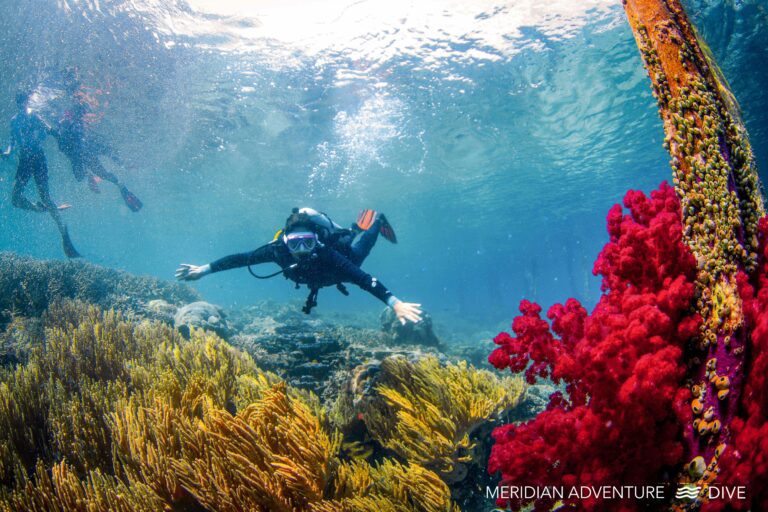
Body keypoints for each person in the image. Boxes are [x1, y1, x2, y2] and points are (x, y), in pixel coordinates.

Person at [176, 208, 423, 325]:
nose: (303, 249)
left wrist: (395, 303)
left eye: (308, 242)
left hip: (336, 265)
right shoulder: (278, 250)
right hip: (322, 272)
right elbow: (241, 259)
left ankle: (376, 221)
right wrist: (204, 269)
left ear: (316, 240)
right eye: (296, 243)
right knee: (347, 237)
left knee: (356, 251)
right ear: (286, 241)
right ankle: (354, 227)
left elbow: (364, 279)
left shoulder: (324, 252)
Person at [1, 91, 80, 258]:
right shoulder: (14, 121)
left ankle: (63, 232)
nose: (23, 105)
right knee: (15, 199)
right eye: (21, 103)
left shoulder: (34, 116)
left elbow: (50, 130)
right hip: (24, 161)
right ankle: (40, 209)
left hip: (38, 159)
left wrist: (61, 137)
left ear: (27, 102)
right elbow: (13, 143)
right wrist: (8, 152)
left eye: (24, 102)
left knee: (45, 196)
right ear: (20, 103)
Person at [55, 73, 142, 211]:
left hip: (83, 149)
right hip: (80, 151)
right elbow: (68, 145)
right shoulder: (68, 125)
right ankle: (118, 182)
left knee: (98, 170)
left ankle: (121, 181)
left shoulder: (73, 124)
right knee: (88, 174)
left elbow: (95, 146)